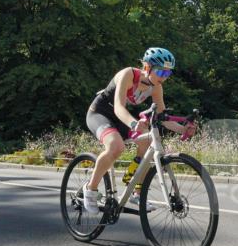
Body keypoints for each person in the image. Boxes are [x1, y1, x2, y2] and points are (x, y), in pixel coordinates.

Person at [82, 47, 195, 214]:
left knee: (148, 140)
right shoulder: (128, 75)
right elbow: (119, 108)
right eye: (161, 73)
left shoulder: (156, 87)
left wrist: (183, 129)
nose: (164, 78)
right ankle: (90, 189)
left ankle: (135, 189)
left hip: (122, 118)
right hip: (99, 113)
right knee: (116, 146)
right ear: (148, 67)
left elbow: (162, 117)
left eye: (168, 74)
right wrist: (134, 124)